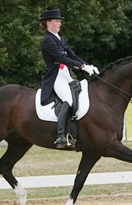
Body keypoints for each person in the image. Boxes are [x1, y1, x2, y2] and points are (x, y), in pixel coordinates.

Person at [39, 9, 99, 149]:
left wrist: (87, 65)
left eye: (60, 21)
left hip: (65, 74)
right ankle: (60, 136)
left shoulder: (59, 38)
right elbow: (61, 58)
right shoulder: (48, 40)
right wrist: (82, 67)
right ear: (48, 23)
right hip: (55, 76)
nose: (60, 23)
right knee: (69, 100)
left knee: (80, 94)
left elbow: (72, 55)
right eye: (57, 21)